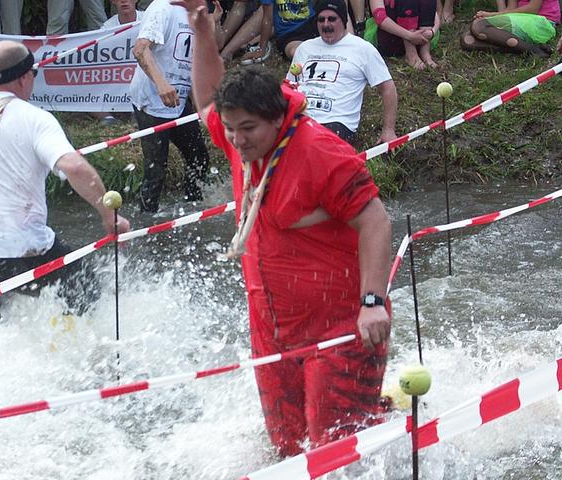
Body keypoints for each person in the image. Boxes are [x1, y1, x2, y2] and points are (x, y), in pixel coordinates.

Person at [174, 0, 393, 455]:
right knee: (287, 448)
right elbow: (208, 98)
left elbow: (375, 220)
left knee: (335, 450)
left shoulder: (322, 152)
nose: (236, 140)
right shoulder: (241, 141)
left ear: (277, 118)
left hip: (340, 327)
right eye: (230, 129)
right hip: (272, 328)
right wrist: (202, 32)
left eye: (247, 129)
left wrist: (372, 302)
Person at [0, 40, 131, 356]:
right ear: (24, 77)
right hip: (25, 247)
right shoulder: (35, 118)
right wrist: (109, 214)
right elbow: (74, 166)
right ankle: (72, 357)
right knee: (88, 292)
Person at [130, 0, 211, 212]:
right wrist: (162, 84)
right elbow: (140, 49)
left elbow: (195, 57)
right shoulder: (162, 7)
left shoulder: (195, 13)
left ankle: (192, 210)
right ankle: (146, 220)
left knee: (199, 157)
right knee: (156, 170)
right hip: (151, 100)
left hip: (179, 101)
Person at [289, 0, 398, 144]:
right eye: (321, 20)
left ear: (344, 20)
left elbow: (388, 88)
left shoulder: (363, 49)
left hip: (336, 122)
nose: (326, 24)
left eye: (332, 19)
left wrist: (388, 130)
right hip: (299, 117)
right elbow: (289, 86)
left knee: (308, 144)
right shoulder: (304, 48)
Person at [231, 0, 321, 63]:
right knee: (295, 52)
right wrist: (262, 49)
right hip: (288, 33)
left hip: (311, 24)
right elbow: (267, 19)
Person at [460, 0, 559, 57]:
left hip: (541, 23)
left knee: (479, 26)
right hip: (520, 20)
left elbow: (532, 9)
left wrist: (492, 15)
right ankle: (523, 49)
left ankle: (534, 51)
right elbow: (510, 10)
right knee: (467, 40)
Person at [369, 0, 439, 69]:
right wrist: (409, 36)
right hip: (390, 37)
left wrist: (432, 31)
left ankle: (425, 52)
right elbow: (379, 17)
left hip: (421, 38)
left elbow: (433, 13)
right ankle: (411, 54)